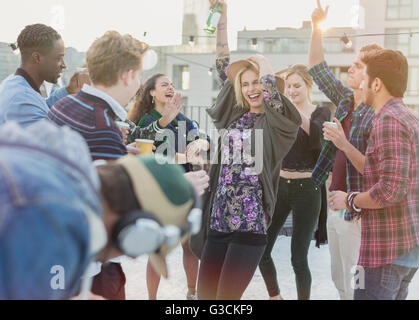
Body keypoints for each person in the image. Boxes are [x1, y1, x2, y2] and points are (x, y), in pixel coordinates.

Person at [0, 120, 201, 300]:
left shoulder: (59, 182)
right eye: (138, 245)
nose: (131, 256)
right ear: (131, 226)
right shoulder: (49, 222)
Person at [191, 0, 301, 300]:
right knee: (204, 299)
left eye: (258, 82)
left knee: (226, 301)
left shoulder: (277, 124)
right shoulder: (233, 115)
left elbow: (278, 104)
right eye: (247, 83)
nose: (253, 88)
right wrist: (222, 20)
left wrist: (263, 65)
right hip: (218, 220)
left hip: (250, 226)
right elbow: (222, 65)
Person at [330, 49, 419, 300]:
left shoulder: (388, 120)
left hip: (385, 254)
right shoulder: (408, 117)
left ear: (376, 83)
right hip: (403, 251)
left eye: (365, 77)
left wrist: (349, 199)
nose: (361, 82)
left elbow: (390, 190)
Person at [309, 0, 382, 300]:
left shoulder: (378, 113)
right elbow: (317, 67)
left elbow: (375, 169)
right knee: (340, 280)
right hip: (335, 208)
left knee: (358, 284)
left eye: (357, 66)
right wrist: (316, 27)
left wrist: (342, 143)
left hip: (359, 215)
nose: (350, 68)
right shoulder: (344, 100)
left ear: (372, 77)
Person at [127, 74, 210, 300]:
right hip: (158, 192)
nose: (170, 87)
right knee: (158, 249)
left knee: (190, 246)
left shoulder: (182, 119)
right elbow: (151, 156)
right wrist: (182, 155)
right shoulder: (146, 122)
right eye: (165, 85)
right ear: (152, 92)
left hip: (185, 189)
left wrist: (200, 145)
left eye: (172, 85)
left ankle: (192, 293)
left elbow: (201, 141)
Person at [258, 64, 331, 300]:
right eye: (288, 86)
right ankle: (275, 296)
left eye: (296, 85)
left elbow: (316, 139)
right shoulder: (280, 111)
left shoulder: (321, 112)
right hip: (280, 186)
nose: (291, 90)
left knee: (298, 258)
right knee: (262, 250)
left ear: (308, 86)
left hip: (308, 190)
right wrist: (272, 82)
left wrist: (288, 106)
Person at [0, 24, 90, 128]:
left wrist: (68, 91)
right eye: (58, 58)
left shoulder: (14, 82)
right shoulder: (22, 101)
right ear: (37, 58)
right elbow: (51, 141)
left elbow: (40, 106)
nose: (64, 65)